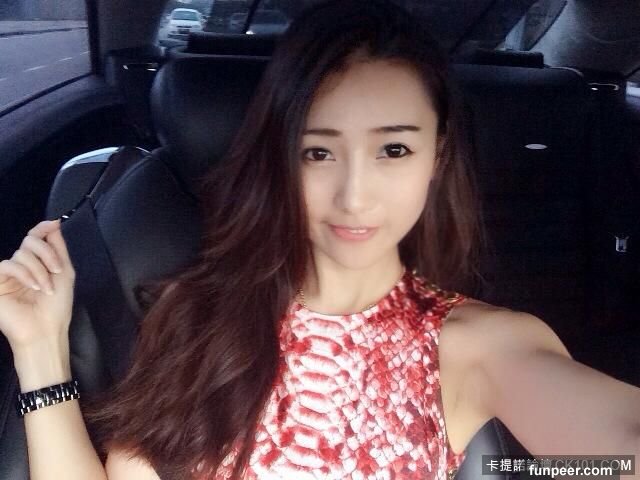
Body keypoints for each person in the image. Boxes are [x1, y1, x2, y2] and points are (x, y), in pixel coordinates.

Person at [1, 0, 639, 479]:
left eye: (393, 149)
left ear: (437, 157)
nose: (354, 196)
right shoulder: (196, 313)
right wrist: (39, 351)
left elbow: (618, 445)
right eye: (318, 152)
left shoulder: (478, 347)